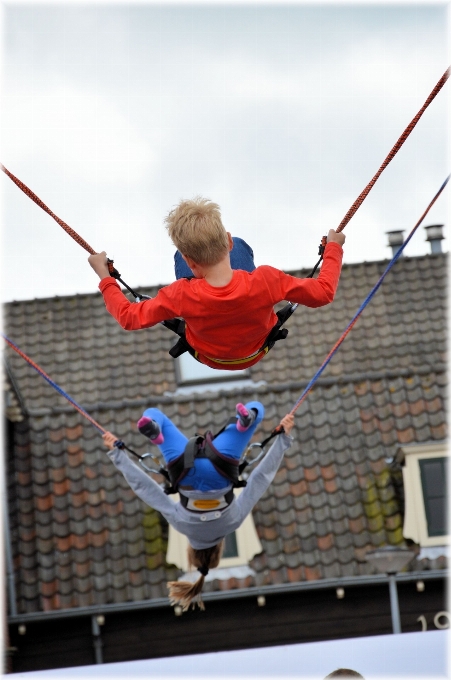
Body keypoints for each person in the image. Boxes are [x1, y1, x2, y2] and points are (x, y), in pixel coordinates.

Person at [88, 197, 345, 370]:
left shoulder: (180, 295)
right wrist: (333, 248)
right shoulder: (267, 280)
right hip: (255, 350)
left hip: (210, 358)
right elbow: (324, 291)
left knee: (185, 263)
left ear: (190, 264)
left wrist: (105, 277)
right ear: (228, 241)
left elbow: (128, 317)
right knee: (245, 254)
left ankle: (198, 260)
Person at [102, 401, 295, 611]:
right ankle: (156, 431)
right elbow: (148, 491)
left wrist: (282, 439)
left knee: (257, 408)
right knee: (154, 414)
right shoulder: (181, 525)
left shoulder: (233, 522)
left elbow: (259, 480)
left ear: (220, 548)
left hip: (220, 466)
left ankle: (244, 421)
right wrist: (118, 456)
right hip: (183, 469)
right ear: (190, 550)